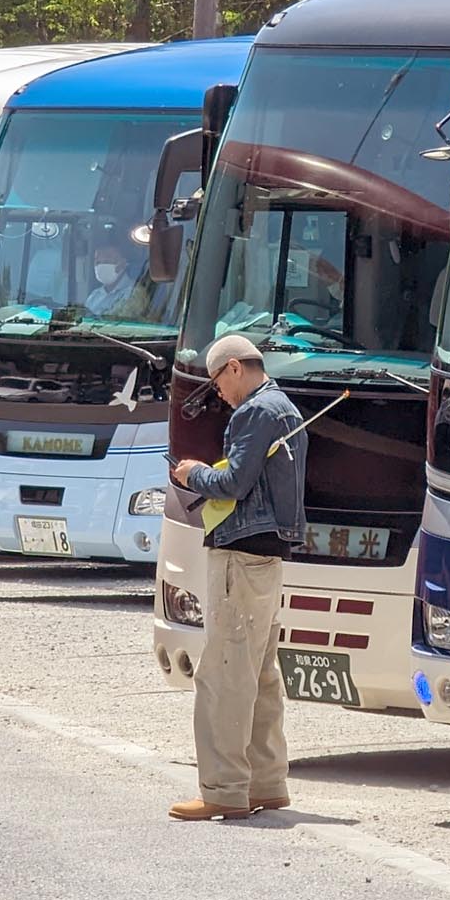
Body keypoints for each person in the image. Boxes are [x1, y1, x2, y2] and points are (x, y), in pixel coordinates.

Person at [167, 333, 307, 820]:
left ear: (232, 368)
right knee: (262, 675)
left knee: (223, 675)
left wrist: (193, 474)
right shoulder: (286, 408)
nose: (220, 397)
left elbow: (234, 482)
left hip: (239, 556)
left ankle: (223, 789)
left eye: (217, 384)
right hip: (269, 558)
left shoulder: (255, 412)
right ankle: (266, 783)